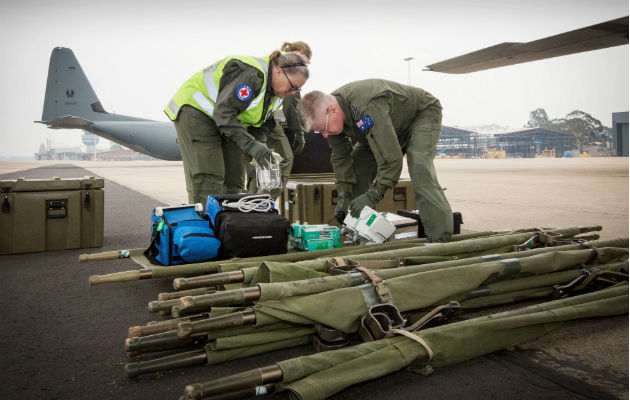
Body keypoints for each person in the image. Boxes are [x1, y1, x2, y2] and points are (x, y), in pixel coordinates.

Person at [297, 79, 453, 242]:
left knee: (419, 167)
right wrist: (344, 196)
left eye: (324, 128)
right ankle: (356, 230)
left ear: (332, 110)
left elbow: (391, 158)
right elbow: (341, 158)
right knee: (357, 168)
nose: (324, 135)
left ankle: (440, 239)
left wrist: (374, 195)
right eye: (319, 131)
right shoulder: (333, 123)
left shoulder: (366, 105)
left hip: (421, 115)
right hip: (385, 129)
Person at [164, 50, 309, 204]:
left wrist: (260, 147)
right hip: (198, 111)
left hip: (227, 121)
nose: (293, 92)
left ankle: (230, 223)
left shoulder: (275, 92)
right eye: (293, 86)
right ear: (279, 72)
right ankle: (206, 225)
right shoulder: (250, 75)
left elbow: (259, 122)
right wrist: (252, 146)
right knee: (209, 176)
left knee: (234, 178)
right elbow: (224, 113)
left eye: (297, 89)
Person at [247, 41, 312, 199]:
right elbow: (291, 105)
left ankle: (248, 206)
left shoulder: (274, 64)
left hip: (250, 119)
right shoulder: (292, 68)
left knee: (257, 166)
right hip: (262, 120)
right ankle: (262, 204)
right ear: (301, 53)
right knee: (283, 160)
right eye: (308, 61)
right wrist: (298, 133)